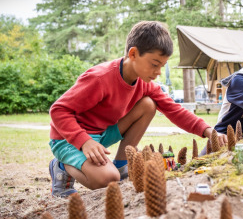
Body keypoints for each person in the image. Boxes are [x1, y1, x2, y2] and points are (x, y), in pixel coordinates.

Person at [49, 21, 226, 198]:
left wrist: (209, 131)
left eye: (161, 66)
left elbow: (174, 110)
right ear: (133, 54)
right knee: (109, 179)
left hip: (101, 135)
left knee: (149, 104)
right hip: (69, 140)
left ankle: (122, 163)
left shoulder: (146, 84)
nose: (158, 72)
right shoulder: (100, 78)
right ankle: (61, 166)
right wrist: (84, 141)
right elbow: (58, 110)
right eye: (154, 64)